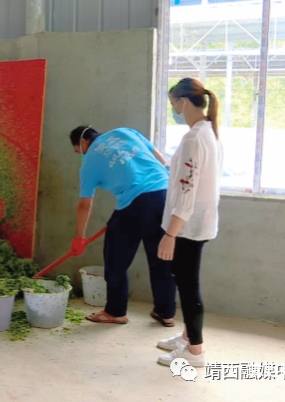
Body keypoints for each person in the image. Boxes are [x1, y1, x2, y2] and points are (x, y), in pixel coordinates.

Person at [69, 125, 176, 326]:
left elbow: (85, 204)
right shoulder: (126, 132)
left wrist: (78, 238)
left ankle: (115, 311)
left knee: (115, 258)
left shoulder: (90, 160)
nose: (81, 155)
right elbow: (161, 159)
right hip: (166, 195)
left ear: (83, 142)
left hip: (135, 202)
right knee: (161, 256)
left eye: (78, 151)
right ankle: (165, 312)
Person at [156, 77, 224, 368]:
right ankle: (187, 336)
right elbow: (186, 176)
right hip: (199, 221)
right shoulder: (208, 132)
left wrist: (171, 233)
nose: (174, 110)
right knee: (186, 281)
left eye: (174, 105)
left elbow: (187, 190)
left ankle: (195, 351)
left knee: (187, 286)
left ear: (183, 102)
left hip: (188, 225)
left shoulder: (194, 137)